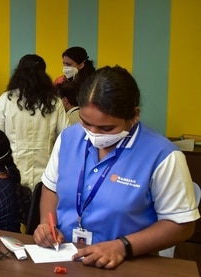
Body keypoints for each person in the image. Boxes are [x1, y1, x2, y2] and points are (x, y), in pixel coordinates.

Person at [34, 66, 199, 269]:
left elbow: (181, 225)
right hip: (66, 258)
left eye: (106, 128)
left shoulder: (162, 155)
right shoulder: (68, 138)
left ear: (134, 116)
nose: (94, 134)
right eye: (86, 123)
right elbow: (51, 186)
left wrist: (122, 246)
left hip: (127, 263)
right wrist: (46, 224)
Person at [0, 54, 68, 191]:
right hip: (47, 172)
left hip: (13, 171)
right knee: (39, 207)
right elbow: (67, 137)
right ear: (44, 74)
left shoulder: (6, 99)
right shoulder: (55, 102)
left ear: (18, 72)